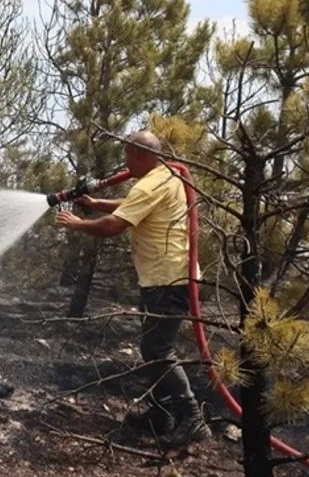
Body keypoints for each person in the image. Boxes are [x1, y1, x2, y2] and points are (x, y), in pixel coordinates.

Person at [54, 131, 212, 448]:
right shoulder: (166, 177)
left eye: (127, 156)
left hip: (168, 280)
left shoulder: (151, 182)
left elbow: (114, 226)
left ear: (138, 156)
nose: (125, 163)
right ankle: (162, 413)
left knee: (158, 350)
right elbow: (133, 204)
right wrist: (96, 202)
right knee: (152, 348)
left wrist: (76, 224)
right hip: (165, 278)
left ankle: (192, 418)